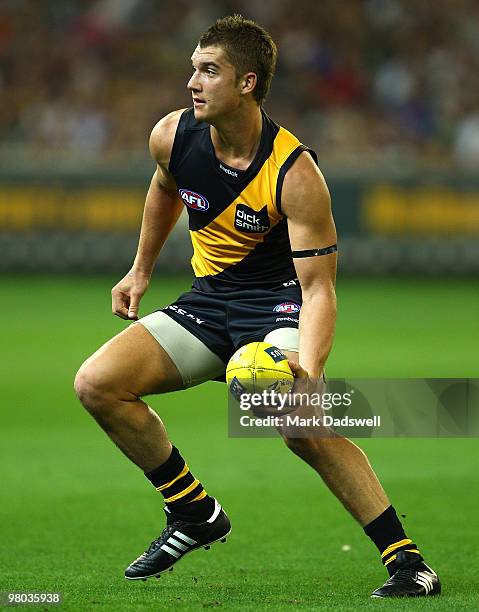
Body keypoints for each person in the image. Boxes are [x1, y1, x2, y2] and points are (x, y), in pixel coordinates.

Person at [74, 14, 440, 598]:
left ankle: (408, 562)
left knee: (300, 427)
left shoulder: (295, 173)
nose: (193, 81)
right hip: (208, 303)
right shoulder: (173, 134)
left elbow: (319, 287)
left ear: (246, 83)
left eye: (209, 71)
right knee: (97, 383)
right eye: (193, 68)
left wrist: (312, 374)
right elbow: (166, 187)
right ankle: (194, 512)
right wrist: (140, 268)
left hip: (276, 308)